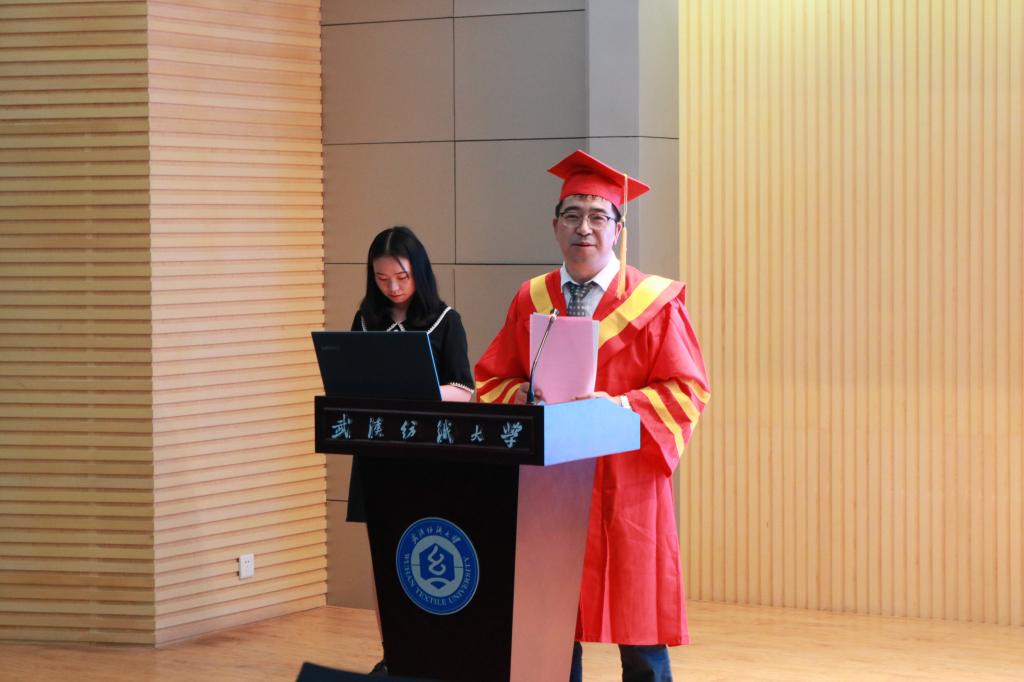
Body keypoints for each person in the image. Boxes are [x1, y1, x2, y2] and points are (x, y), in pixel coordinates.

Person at [474, 150, 710, 682]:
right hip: (551, 486)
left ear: (618, 230)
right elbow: (491, 380)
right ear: (555, 225)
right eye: (573, 215)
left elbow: (687, 389)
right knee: (554, 628)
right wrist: (524, 397)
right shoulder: (531, 299)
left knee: (640, 631)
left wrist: (620, 406)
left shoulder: (655, 302)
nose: (585, 228)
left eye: (599, 216)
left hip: (626, 485)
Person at [348, 226, 474, 675]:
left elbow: (465, 389)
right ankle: (393, 653)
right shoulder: (366, 320)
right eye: (382, 279)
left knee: (425, 555)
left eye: (402, 277)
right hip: (377, 455)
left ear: (419, 271)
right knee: (383, 556)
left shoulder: (445, 320)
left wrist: (422, 390)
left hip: (428, 457)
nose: (393, 287)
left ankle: (433, 652)